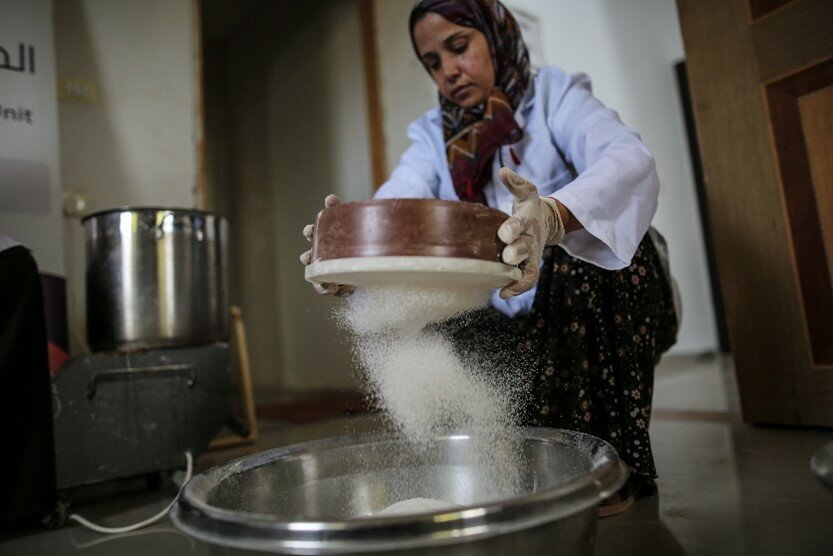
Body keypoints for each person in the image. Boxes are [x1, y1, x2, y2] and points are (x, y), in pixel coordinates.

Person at [301, 0, 677, 515]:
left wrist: (552, 218)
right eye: (433, 62)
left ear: (494, 36)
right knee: (432, 316)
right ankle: (526, 461)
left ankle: (607, 469)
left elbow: (627, 160)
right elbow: (399, 206)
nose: (449, 70)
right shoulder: (434, 137)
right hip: (518, 329)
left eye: (459, 47)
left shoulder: (553, 97)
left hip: (601, 310)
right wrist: (348, 253)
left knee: (582, 255)